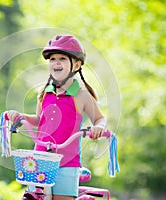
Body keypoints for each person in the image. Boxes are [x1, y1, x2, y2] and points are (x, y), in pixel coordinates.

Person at [6, 35, 107, 200]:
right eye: (52, 59)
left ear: (76, 64)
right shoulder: (45, 92)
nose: (56, 62)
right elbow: (39, 120)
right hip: (40, 158)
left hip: (67, 161)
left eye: (62, 58)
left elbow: (99, 118)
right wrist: (21, 116)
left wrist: (99, 128)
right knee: (34, 196)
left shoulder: (81, 96)